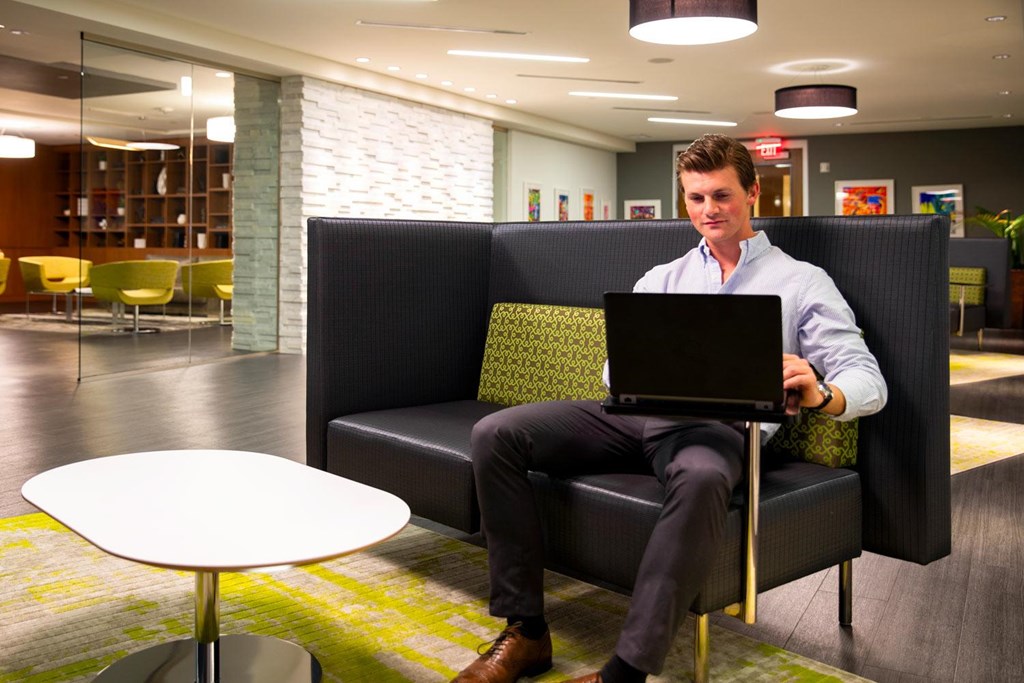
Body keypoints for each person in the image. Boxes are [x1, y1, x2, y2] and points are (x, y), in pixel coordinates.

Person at [450, 133, 888, 683]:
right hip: (635, 415)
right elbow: (611, 372)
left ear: (753, 192)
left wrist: (822, 392)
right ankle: (527, 632)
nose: (709, 210)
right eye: (696, 198)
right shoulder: (662, 278)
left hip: (717, 430)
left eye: (722, 195)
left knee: (703, 477)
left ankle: (625, 673)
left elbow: (867, 379)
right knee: (496, 433)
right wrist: (636, 365)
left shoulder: (801, 282)